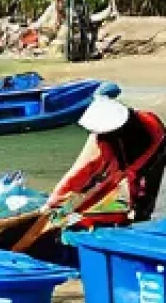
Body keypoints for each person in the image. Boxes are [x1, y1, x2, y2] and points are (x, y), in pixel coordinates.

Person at [46, 95, 166, 223]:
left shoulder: (148, 123)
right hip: (143, 154)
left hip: (152, 152)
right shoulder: (103, 141)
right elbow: (79, 173)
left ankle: (140, 217)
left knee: (143, 194)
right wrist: (54, 202)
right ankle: (138, 215)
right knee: (105, 186)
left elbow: (81, 173)